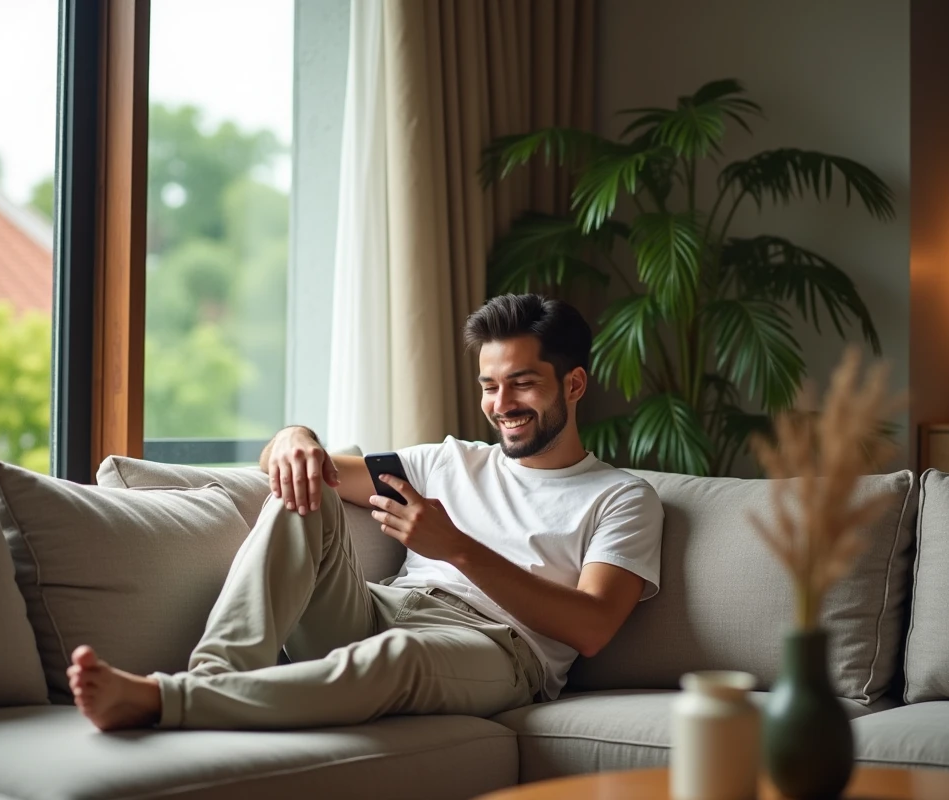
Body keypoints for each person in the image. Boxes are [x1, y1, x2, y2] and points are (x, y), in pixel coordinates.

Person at [68, 293, 664, 731]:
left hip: (500, 649)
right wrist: (294, 437)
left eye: (523, 383)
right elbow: (313, 467)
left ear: (575, 384)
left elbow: (591, 628)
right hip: (381, 607)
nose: (501, 404)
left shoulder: (620, 498)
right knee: (306, 491)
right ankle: (213, 676)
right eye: (489, 386)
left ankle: (167, 701)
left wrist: (455, 547)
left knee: (395, 658)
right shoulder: (446, 460)